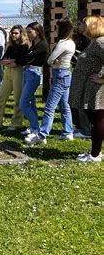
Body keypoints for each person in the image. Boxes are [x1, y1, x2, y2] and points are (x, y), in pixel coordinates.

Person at [25, 18, 76, 144]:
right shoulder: (71, 42)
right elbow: (53, 59)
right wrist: (54, 60)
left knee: (49, 107)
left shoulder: (63, 43)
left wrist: (53, 61)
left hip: (60, 75)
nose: (55, 30)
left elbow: (50, 59)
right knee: (64, 106)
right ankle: (68, 132)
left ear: (62, 29)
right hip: (66, 74)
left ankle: (42, 136)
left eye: (57, 28)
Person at [69, 15, 104, 162]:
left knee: (97, 121)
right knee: (95, 121)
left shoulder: (100, 42)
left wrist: (102, 78)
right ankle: (95, 151)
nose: (80, 26)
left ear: (92, 25)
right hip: (90, 89)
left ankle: (95, 155)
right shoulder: (93, 42)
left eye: (84, 23)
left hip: (96, 90)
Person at [0, 25, 30, 131]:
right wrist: (8, 62)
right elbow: (3, 59)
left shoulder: (24, 46)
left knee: (17, 99)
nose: (13, 35)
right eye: (12, 33)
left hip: (19, 72)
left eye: (16, 33)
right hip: (8, 72)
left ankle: (16, 123)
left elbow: (22, 60)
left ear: (21, 34)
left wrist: (13, 62)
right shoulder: (10, 46)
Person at [18, 22, 49, 137]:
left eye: (30, 32)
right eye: (27, 32)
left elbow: (27, 57)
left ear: (38, 31)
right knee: (31, 102)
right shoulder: (33, 44)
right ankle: (33, 127)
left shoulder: (42, 45)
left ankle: (36, 128)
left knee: (23, 103)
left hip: (34, 74)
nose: (28, 34)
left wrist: (16, 61)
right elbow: (25, 58)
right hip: (27, 72)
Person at [70, 17, 92, 139]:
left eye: (80, 24)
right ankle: (79, 126)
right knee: (75, 100)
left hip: (87, 75)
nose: (78, 26)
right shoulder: (81, 39)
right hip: (78, 72)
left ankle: (86, 129)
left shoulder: (92, 41)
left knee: (83, 102)